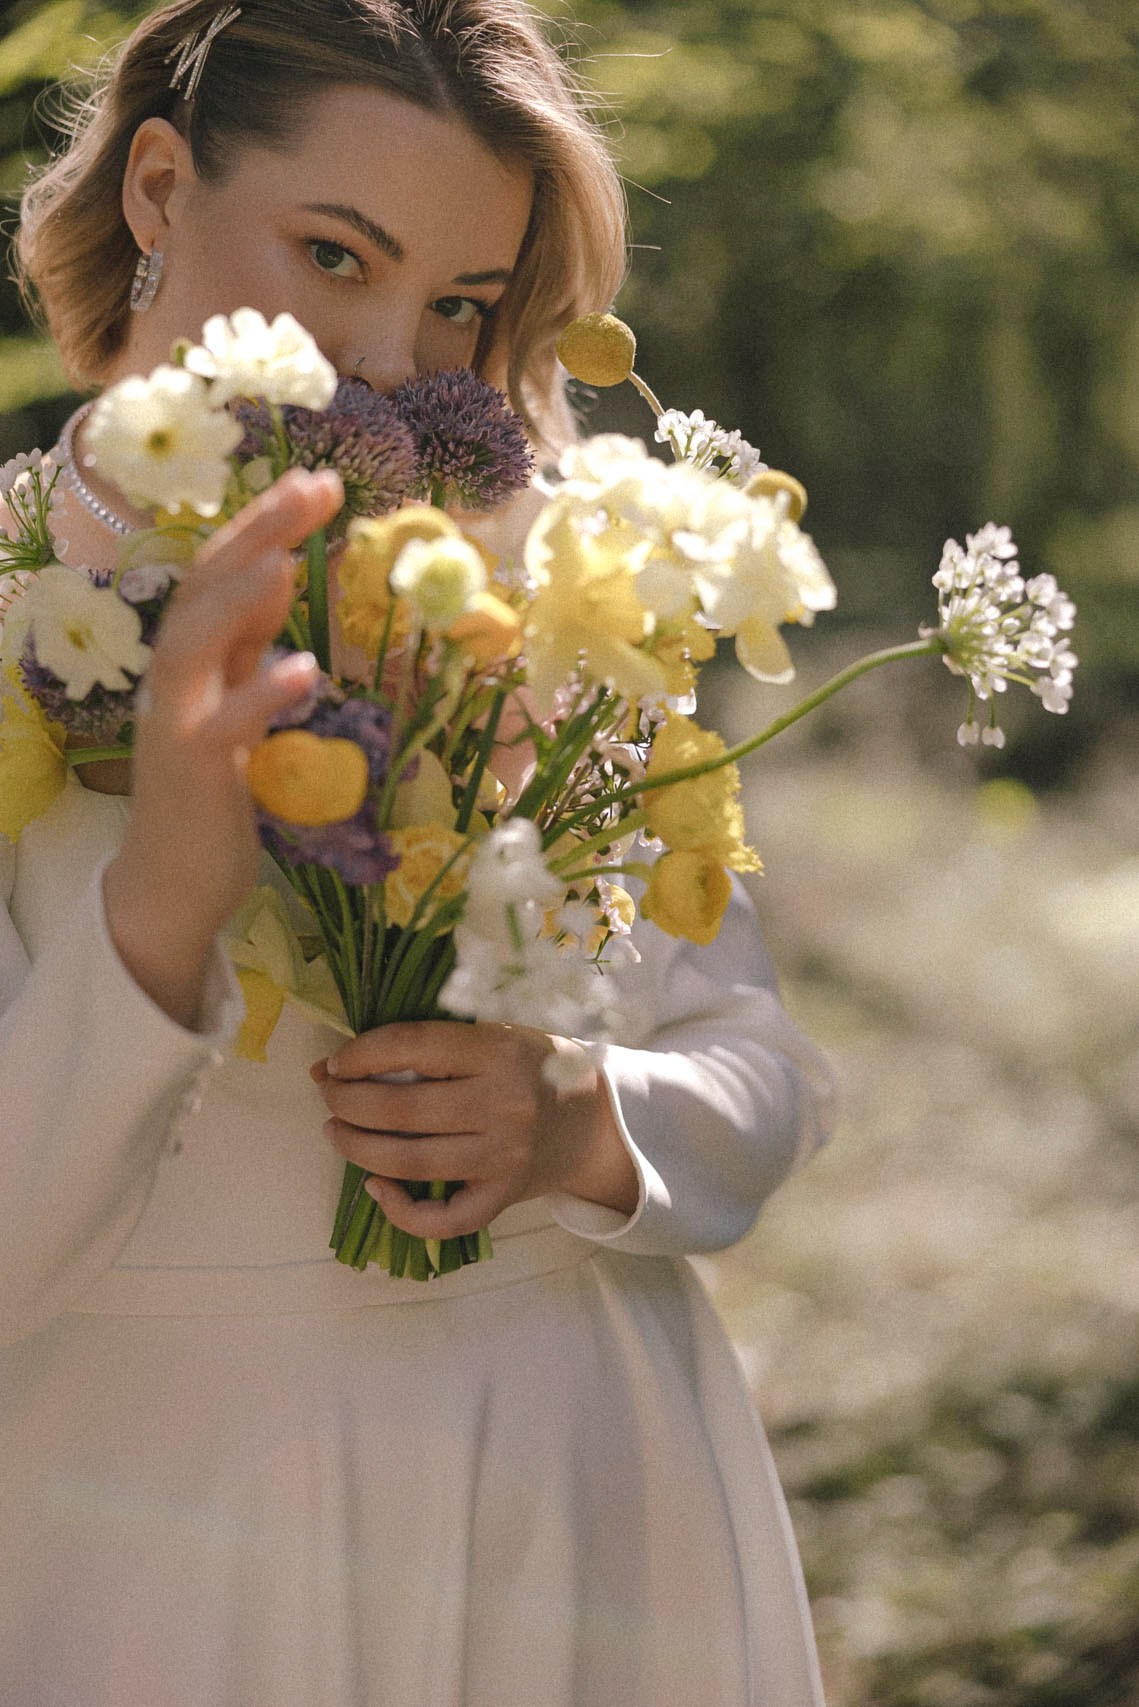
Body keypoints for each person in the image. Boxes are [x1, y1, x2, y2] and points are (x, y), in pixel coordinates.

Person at [0, 3, 834, 1702]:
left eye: (459, 301)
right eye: (334, 255)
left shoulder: (565, 574)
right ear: (159, 186)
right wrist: (160, 903)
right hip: (166, 1544)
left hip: (588, 1495)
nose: (393, 361)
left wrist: (580, 1120)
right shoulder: (19, 600)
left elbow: (762, 1073)